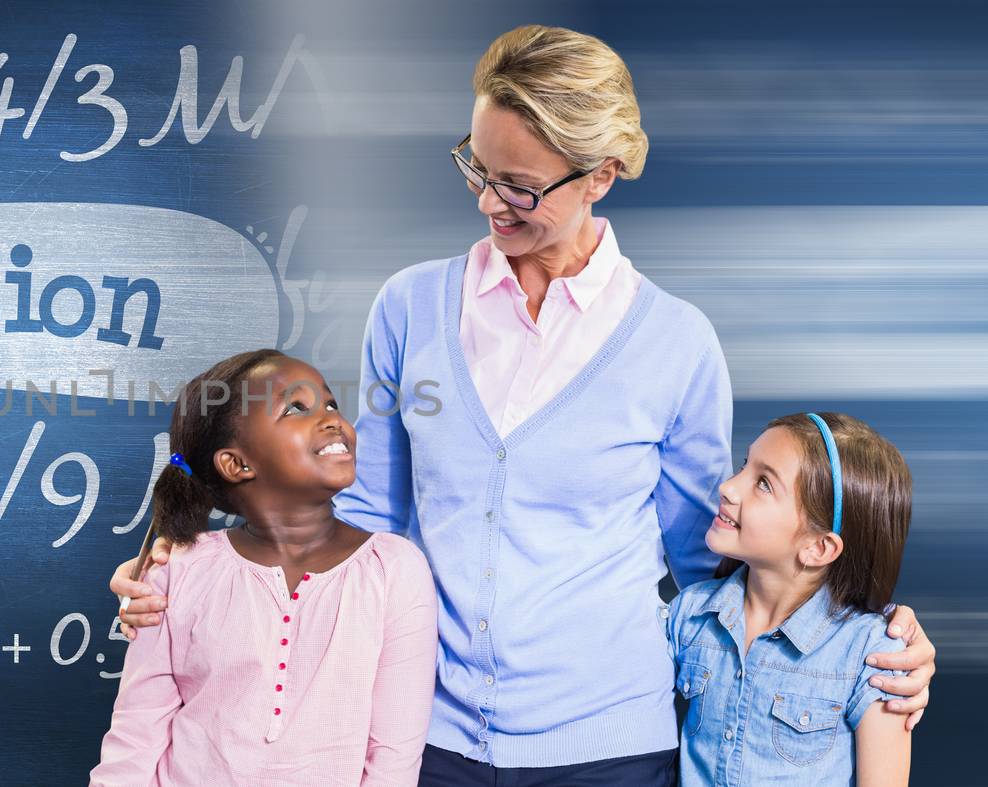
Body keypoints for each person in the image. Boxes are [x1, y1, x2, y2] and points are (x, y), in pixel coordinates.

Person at [112, 24, 936, 785]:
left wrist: (865, 639)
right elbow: (360, 517)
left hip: (612, 746)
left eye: (519, 186)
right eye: (476, 166)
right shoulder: (409, 307)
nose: (487, 202)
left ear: (601, 176)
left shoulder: (676, 343)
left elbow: (712, 568)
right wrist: (184, 579)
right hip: (425, 732)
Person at [90, 350, 438, 786]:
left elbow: (393, 758)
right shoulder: (177, 570)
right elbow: (135, 739)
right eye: (296, 408)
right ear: (237, 464)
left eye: (331, 404)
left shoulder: (395, 570)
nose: (332, 419)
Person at [669, 412, 912, 785]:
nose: (728, 488)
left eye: (763, 484)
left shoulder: (872, 653)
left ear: (818, 547)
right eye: (744, 467)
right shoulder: (688, 615)